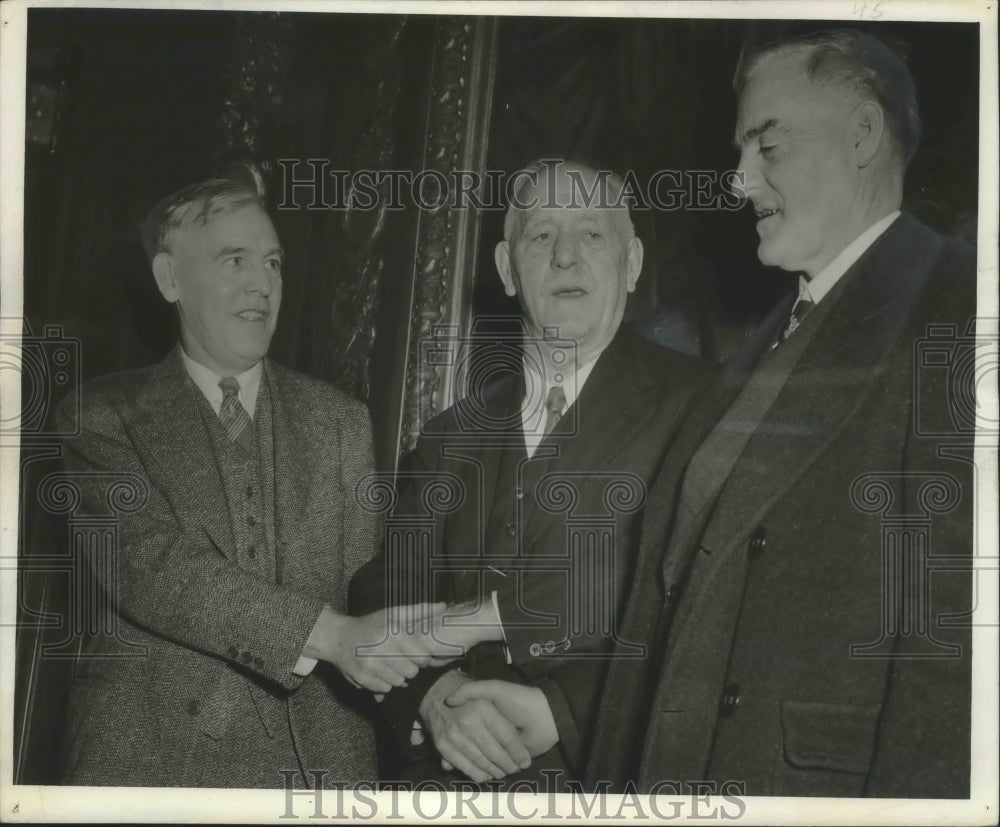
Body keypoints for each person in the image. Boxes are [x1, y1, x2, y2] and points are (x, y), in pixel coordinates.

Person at [586, 30, 975, 797]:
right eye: (740, 150)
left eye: (768, 144)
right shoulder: (763, 337)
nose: (738, 179)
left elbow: (954, 644)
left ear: (862, 135)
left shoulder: (959, 303)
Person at [56, 179, 443, 788]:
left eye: (272, 263)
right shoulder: (103, 416)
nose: (262, 283)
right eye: (234, 260)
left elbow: (369, 596)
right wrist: (332, 636)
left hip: (317, 771)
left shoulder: (340, 421)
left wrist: (432, 695)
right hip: (152, 763)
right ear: (170, 279)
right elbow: (151, 568)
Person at [350, 159, 716, 788]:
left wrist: (568, 711)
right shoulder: (448, 437)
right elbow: (381, 591)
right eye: (542, 234)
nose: (566, 257)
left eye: (592, 234)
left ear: (631, 263)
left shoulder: (704, 406)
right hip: (442, 787)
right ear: (505, 268)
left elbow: (707, 607)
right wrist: (435, 696)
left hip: (612, 785)